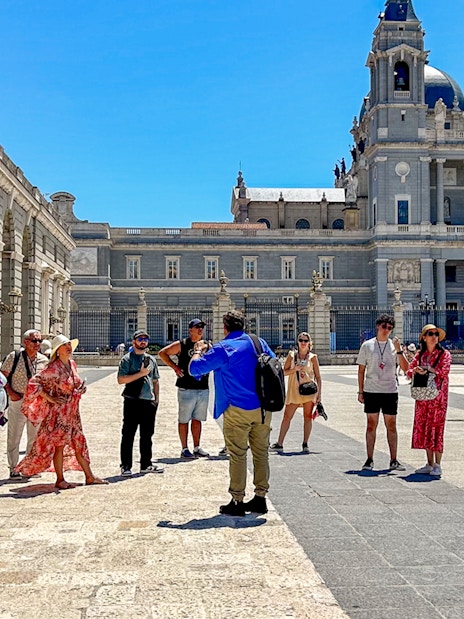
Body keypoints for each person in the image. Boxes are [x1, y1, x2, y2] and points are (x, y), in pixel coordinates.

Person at [189, 310, 274, 516]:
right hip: (262, 408)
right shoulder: (257, 342)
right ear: (243, 326)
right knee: (261, 453)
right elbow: (273, 362)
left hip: (237, 408)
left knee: (237, 454)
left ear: (225, 327)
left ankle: (237, 500)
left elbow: (195, 369)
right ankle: (260, 498)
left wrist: (198, 350)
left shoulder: (223, 348)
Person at [15, 335, 108, 488]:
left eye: (69, 344)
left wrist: (80, 389)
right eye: (64, 345)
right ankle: (60, 479)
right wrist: (50, 399)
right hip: (59, 414)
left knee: (79, 442)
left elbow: (73, 385)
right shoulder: (53, 368)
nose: (68, 347)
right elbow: (34, 383)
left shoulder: (72, 364)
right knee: (59, 445)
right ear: (57, 350)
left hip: (73, 413)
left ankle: (89, 476)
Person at [357, 314, 409, 471]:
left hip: (390, 390)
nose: (386, 330)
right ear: (378, 326)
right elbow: (361, 370)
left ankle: (393, 459)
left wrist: (399, 350)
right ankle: (369, 459)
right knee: (371, 425)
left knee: (391, 425)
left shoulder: (395, 347)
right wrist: (360, 391)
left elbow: (407, 369)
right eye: (384, 326)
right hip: (371, 390)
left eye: (389, 328)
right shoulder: (367, 345)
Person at [158, 319, 210, 459]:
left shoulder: (207, 345)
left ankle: (197, 446)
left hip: (203, 387)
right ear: (190, 330)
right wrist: (175, 367)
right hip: (186, 387)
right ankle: (184, 448)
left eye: (202, 327)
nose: (200, 329)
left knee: (198, 419)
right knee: (184, 419)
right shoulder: (183, 344)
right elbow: (162, 353)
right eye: (197, 327)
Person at [1, 330, 48, 479]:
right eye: (34, 341)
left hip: (36, 402)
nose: (38, 344)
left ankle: (30, 467)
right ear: (25, 342)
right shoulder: (13, 357)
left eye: (39, 341)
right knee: (14, 435)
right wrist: (11, 393)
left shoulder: (43, 360)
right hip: (18, 401)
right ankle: (13, 468)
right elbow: (3, 377)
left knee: (34, 437)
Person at [407, 324, 452, 477]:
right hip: (423, 397)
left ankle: (438, 464)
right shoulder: (420, 355)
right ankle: (429, 463)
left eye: (436, 334)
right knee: (426, 427)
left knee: (437, 428)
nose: (434, 336)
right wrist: (416, 370)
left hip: (438, 398)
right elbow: (408, 370)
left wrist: (428, 368)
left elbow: (444, 371)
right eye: (430, 334)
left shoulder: (444, 354)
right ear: (424, 338)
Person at [117, 329, 163, 476]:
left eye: (145, 339)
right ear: (134, 341)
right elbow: (121, 379)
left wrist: (156, 399)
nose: (143, 341)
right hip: (132, 401)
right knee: (128, 434)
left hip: (148, 402)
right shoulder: (127, 359)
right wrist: (141, 374)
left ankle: (146, 464)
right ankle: (126, 465)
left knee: (147, 435)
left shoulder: (152, 360)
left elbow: (155, 381)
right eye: (140, 339)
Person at [270, 332, 322, 453]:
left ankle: (305, 443)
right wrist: (295, 369)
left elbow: (318, 377)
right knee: (287, 416)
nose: (303, 343)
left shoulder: (313, 357)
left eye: (305, 341)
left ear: (309, 343)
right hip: (294, 390)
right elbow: (283, 372)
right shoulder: (292, 355)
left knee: (308, 417)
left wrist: (319, 394)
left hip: (309, 390)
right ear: (297, 342)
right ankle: (280, 443)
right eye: (301, 340)